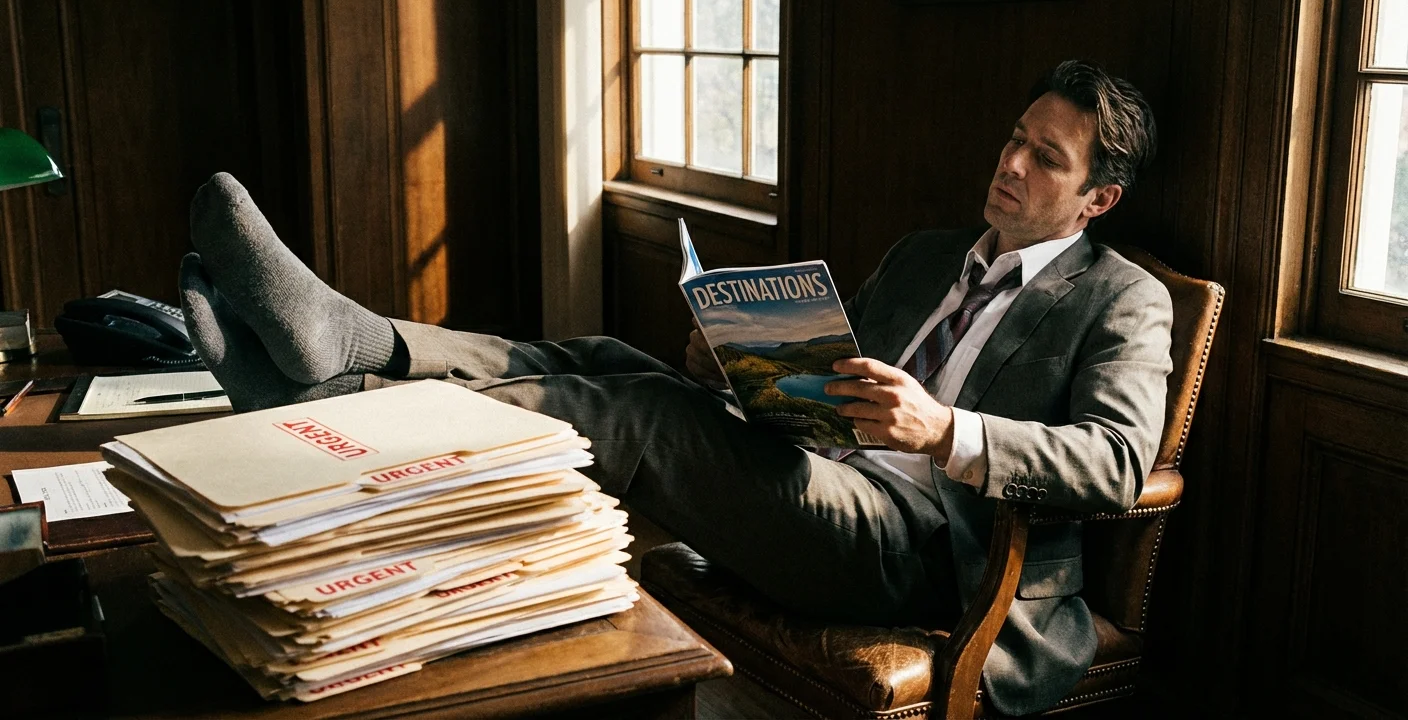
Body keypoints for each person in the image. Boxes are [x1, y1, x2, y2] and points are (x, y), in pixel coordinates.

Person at [177, 58, 1168, 716]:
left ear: (1099, 196)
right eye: (1013, 136)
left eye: (1046, 158)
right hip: (816, 473)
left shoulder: (1121, 301)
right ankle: (362, 342)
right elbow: (819, 386)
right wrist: (734, 366)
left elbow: (1116, 463)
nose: (1009, 163)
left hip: (921, 547)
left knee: (639, 418)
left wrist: (945, 429)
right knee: (611, 357)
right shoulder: (926, 255)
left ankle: (332, 413)